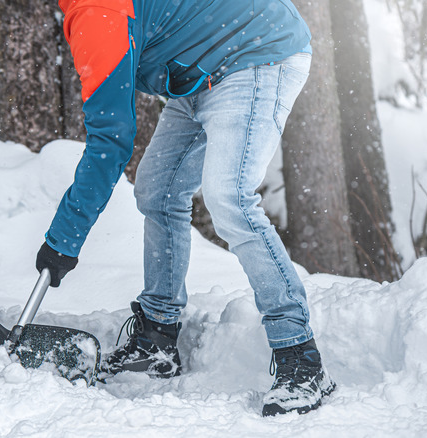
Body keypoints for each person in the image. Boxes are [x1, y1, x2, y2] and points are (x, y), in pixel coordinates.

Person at [35, 0, 336, 416]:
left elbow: (110, 143)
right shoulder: (92, 11)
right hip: (202, 69)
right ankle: (158, 338)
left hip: (256, 50)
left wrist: (63, 240)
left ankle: (301, 360)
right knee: (157, 192)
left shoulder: (97, 12)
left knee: (229, 197)